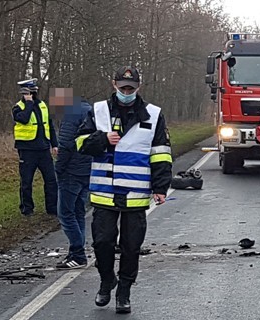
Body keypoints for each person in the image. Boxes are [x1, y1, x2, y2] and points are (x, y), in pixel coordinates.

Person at [76, 66, 172, 313]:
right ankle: (107, 280)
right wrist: (102, 139)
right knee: (103, 242)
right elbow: (80, 144)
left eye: (130, 87)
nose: (126, 91)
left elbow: (161, 153)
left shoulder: (153, 114)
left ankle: (124, 291)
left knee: (131, 247)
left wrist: (161, 187)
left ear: (138, 87)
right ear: (113, 84)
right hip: (104, 192)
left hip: (136, 195)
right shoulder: (97, 111)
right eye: (122, 87)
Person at [53, 90, 93, 270]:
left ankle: (78, 253)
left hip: (71, 171)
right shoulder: (91, 111)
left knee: (65, 213)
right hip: (88, 168)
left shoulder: (71, 115)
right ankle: (76, 252)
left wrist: (58, 168)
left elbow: (66, 145)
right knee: (78, 212)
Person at [12, 78, 58, 217]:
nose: (34, 94)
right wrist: (29, 103)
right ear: (25, 93)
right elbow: (24, 119)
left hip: (43, 149)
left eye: (35, 91)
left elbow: (49, 126)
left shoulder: (42, 105)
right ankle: (27, 209)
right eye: (31, 92)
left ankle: (52, 208)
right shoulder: (18, 107)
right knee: (26, 181)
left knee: (51, 180)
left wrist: (54, 145)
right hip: (27, 150)